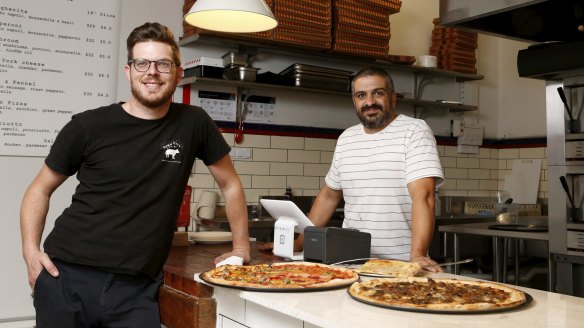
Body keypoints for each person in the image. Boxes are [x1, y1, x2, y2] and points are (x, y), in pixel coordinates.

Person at [20, 22, 250, 328]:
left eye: (162, 64)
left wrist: (241, 248)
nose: (151, 72)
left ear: (177, 73)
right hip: (66, 276)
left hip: (136, 288)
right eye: (142, 63)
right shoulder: (87, 126)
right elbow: (39, 189)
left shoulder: (194, 123)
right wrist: (30, 251)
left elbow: (230, 183)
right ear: (129, 71)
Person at [261, 67, 444, 270]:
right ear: (354, 102)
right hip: (350, 262)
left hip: (400, 265)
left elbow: (424, 196)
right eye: (361, 95)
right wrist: (299, 243)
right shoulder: (347, 138)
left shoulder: (415, 131)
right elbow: (329, 196)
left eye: (378, 93)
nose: (370, 102)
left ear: (393, 98)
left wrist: (417, 256)